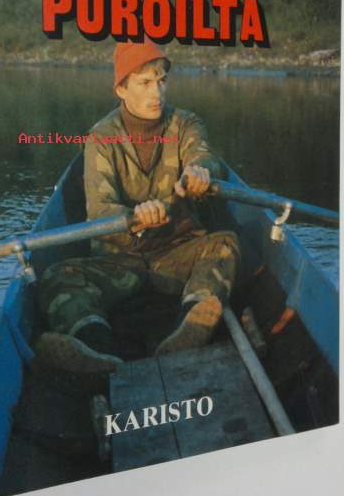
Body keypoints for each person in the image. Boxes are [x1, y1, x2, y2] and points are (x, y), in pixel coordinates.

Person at [36, 40, 240, 374]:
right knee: (56, 275)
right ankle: (96, 347)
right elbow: (99, 212)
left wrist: (200, 172)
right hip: (121, 262)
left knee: (225, 244)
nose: (156, 92)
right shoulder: (101, 138)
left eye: (161, 81)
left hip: (178, 254)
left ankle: (188, 327)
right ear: (121, 89)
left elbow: (203, 156)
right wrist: (135, 219)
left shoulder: (186, 123)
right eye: (144, 83)